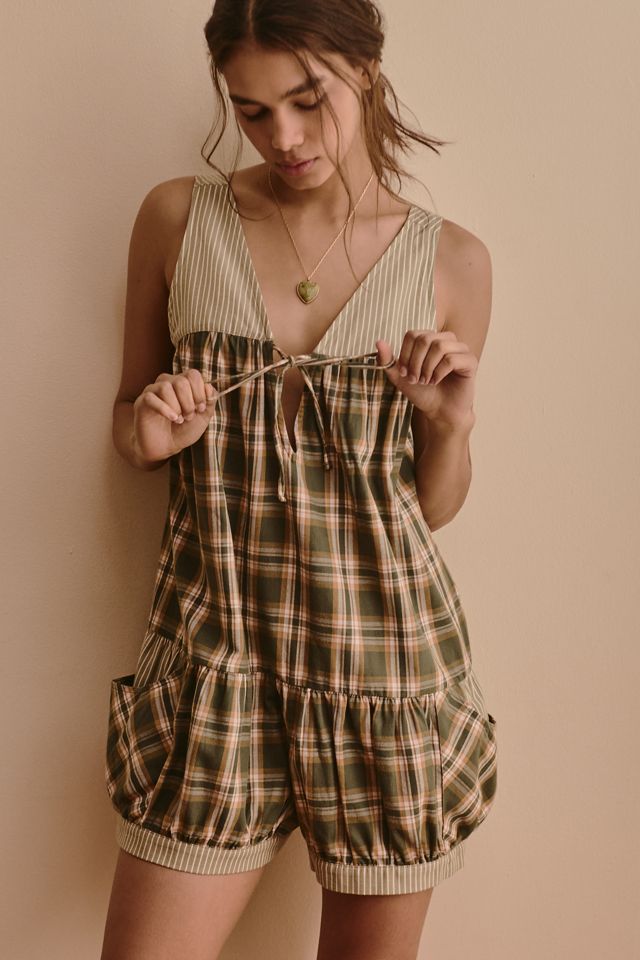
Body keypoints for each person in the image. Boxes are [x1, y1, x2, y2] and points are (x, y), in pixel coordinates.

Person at [100, 2, 497, 958]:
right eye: (251, 110)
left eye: (307, 100)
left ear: (365, 70)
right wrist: (150, 433)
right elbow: (127, 420)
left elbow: (431, 507)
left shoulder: (452, 260)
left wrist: (451, 424)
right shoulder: (177, 219)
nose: (283, 137)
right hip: (215, 665)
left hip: (387, 674)